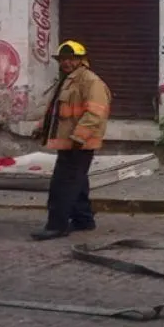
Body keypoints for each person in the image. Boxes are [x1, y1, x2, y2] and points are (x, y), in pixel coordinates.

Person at [30, 40, 112, 241]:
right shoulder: (69, 80)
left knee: (63, 184)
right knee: (77, 181)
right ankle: (83, 220)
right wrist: (42, 127)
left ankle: (56, 226)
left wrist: (79, 138)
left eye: (71, 58)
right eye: (63, 59)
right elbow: (58, 111)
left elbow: (95, 113)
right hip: (69, 142)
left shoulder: (89, 81)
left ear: (81, 59)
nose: (66, 62)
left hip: (78, 144)